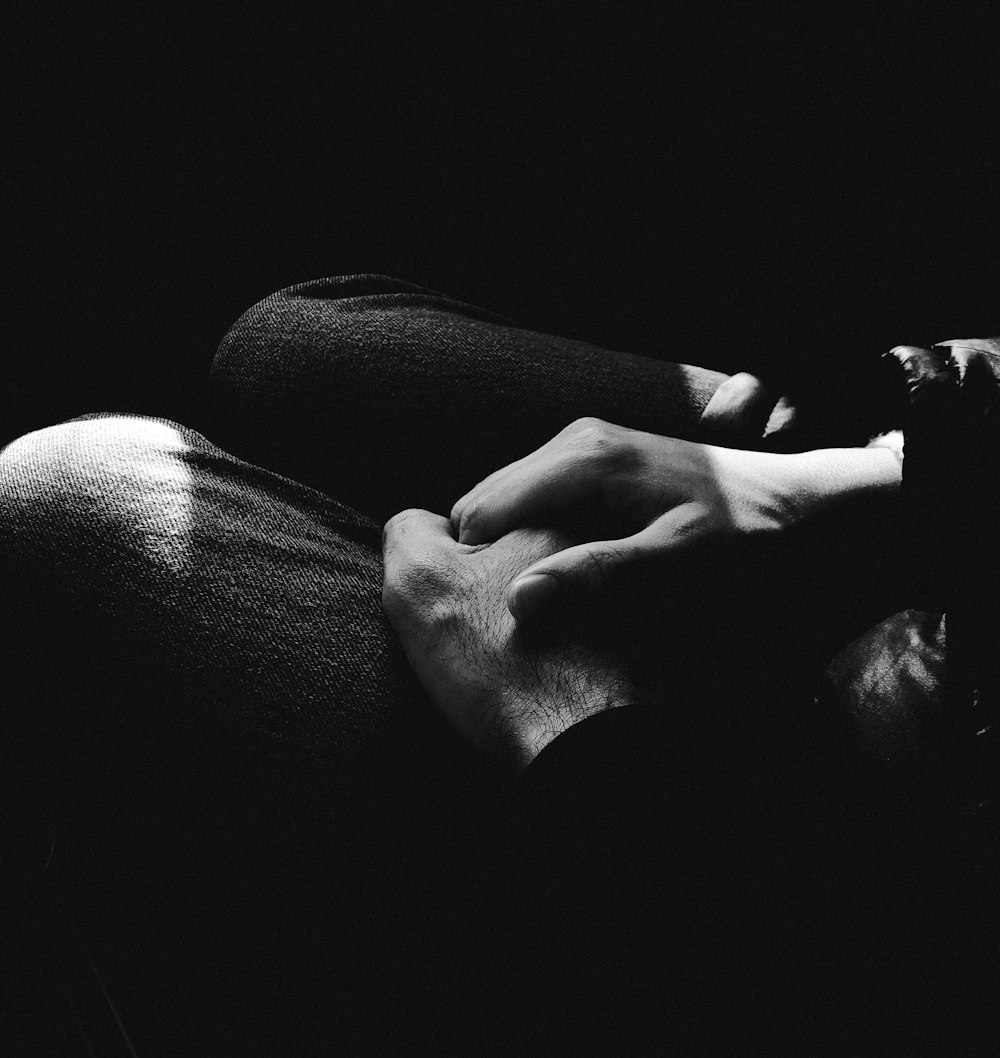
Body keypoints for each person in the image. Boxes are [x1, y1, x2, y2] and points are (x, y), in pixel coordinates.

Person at [1, 275, 996, 1053]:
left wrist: (576, 733)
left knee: (68, 503)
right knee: (294, 345)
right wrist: (851, 477)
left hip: (802, 874)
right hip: (936, 587)